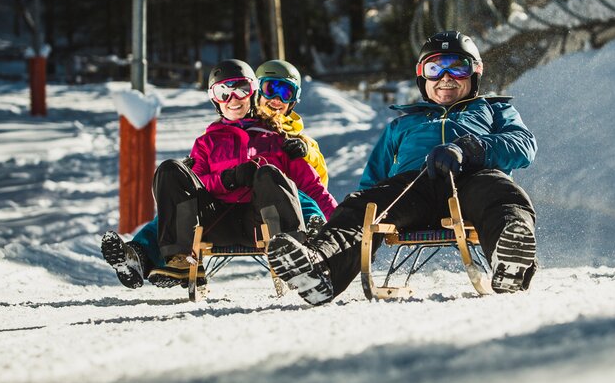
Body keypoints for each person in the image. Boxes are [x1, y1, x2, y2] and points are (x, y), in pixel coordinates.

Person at [267, 30, 538, 304]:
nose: (445, 77)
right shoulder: (404, 123)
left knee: (501, 191)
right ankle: (322, 265)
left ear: (475, 73)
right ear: (422, 77)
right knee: (363, 205)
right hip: (413, 188)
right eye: (434, 68)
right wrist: (362, 205)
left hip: (472, 182)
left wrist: (469, 149)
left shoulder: (493, 110)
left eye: (457, 67)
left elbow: (523, 144)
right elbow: (374, 178)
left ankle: (511, 256)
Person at [101, 58, 335, 288]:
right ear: (215, 99)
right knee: (171, 170)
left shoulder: (278, 139)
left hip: (261, 222)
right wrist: (228, 179)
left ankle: (296, 257)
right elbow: (196, 184)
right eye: (223, 93)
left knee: (270, 175)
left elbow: (313, 188)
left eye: (241, 90)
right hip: (214, 220)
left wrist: (342, 226)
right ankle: (176, 259)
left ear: (252, 93)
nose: (232, 99)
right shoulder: (207, 142)